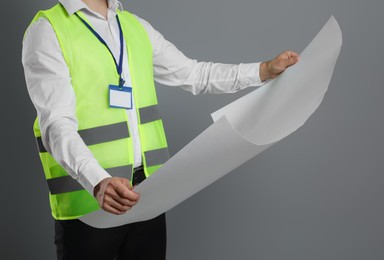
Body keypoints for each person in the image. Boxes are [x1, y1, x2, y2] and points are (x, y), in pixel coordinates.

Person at [22, 0, 299, 259]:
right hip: (90, 203)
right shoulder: (48, 30)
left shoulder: (133, 25)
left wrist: (262, 70)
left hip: (148, 194)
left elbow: (193, 73)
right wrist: (97, 181)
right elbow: (56, 124)